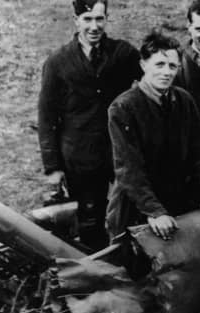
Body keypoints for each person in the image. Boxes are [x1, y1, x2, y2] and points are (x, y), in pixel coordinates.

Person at [37, 0, 142, 251]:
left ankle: (129, 266)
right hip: (79, 156)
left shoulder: (123, 54)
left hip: (119, 150)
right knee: (89, 218)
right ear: (76, 20)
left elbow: (152, 77)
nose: (94, 26)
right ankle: (94, 273)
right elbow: (47, 116)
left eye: (99, 19)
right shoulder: (58, 62)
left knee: (128, 211)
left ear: (106, 19)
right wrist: (53, 167)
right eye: (87, 19)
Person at [107, 31, 200, 241]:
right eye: (160, 64)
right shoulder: (123, 107)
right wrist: (154, 211)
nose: (166, 72)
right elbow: (129, 168)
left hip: (177, 207)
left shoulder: (183, 100)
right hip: (136, 211)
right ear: (144, 65)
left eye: (172, 66)